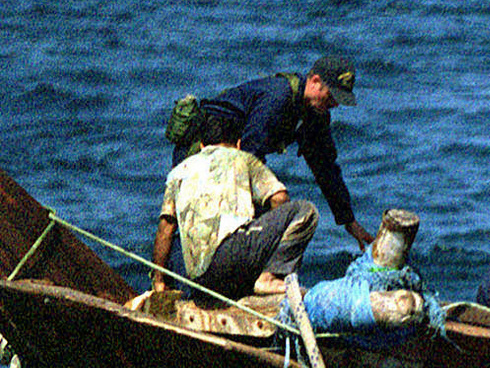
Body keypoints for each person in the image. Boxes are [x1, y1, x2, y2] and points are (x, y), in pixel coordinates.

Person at [170, 55, 374, 247]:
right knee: (198, 224)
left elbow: (326, 168)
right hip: (200, 153)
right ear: (315, 81)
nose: (335, 104)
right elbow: (250, 152)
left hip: (235, 160)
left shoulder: (315, 114)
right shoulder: (277, 98)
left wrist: (348, 220)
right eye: (332, 96)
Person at [151, 144, 319, 300]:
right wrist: (270, 244)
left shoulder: (179, 171)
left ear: (201, 144)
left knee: (179, 242)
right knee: (305, 210)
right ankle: (269, 277)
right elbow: (279, 198)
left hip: (198, 276)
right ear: (238, 142)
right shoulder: (243, 158)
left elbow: (165, 228)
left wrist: (158, 281)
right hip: (233, 257)